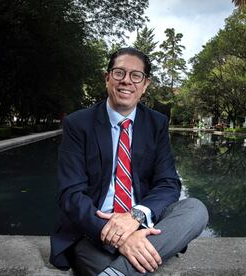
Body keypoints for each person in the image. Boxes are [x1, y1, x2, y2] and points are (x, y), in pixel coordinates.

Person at [49, 47, 208, 275]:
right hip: (94, 229)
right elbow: (71, 194)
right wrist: (117, 235)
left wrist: (135, 218)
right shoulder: (78, 124)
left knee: (196, 209)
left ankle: (119, 268)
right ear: (107, 78)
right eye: (119, 73)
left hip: (141, 221)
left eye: (136, 76)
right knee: (105, 258)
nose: (127, 81)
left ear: (145, 85)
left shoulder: (156, 123)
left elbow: (168, 183)